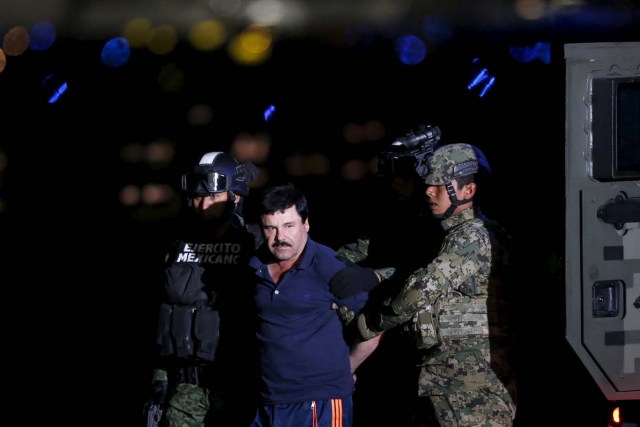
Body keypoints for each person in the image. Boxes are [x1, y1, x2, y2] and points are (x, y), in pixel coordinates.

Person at [353, 143, 517, 427]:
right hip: (452, 379)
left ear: (469, 191)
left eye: (441, 184)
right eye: (429, 183)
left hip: (468, 385)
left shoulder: (472, 237)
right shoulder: (454, 235)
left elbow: (419, 291)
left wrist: (369, 324)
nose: (429, 190)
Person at [248, 183, 380, 427]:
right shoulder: (254, 265)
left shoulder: (329, 266)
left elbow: (374, 327)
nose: (280, 237)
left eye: (289, 226)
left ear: (305, 224)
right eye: (271, 228)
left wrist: (347, 367)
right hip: (267, 399)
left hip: (319, 400)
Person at [147, 151, 262, 427]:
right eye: (198, 197)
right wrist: (159, 379)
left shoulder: (256, 242)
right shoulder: (178, 244)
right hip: (185, 390)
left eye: (212, 197)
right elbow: (164, 313)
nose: (202, 205)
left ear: (235, 196)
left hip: (239, 386)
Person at [336, 154, 444, 427]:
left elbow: (424, 271)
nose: (395, 184)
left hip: (415, 324)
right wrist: (331, 266)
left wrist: (376, 275)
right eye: (392, 178)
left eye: (402, 178)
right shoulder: (389, 213)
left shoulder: (437, 221)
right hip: (383, 325)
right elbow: (357, 250)